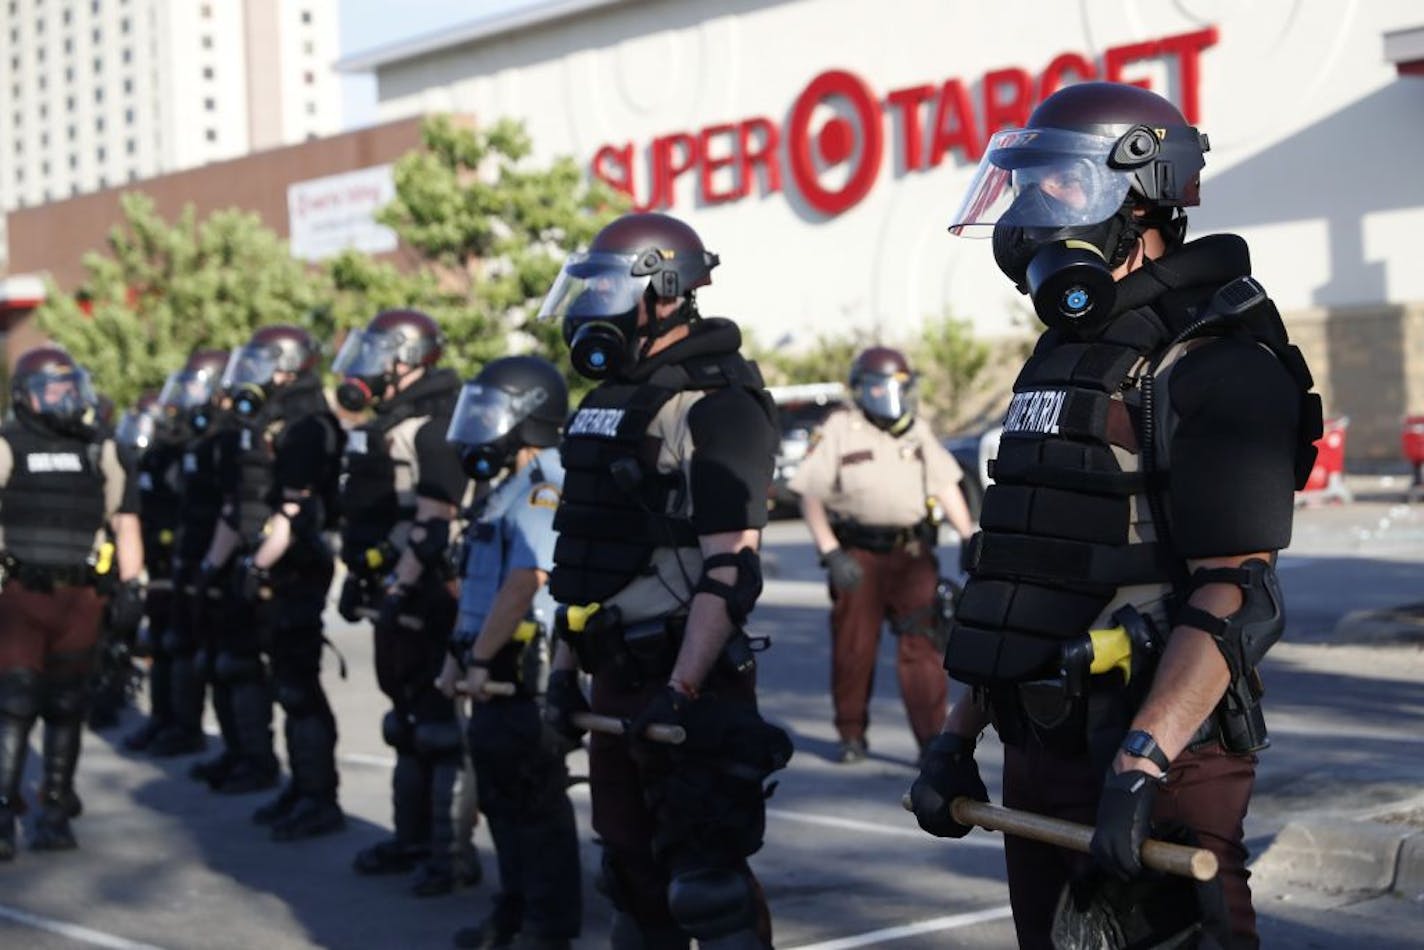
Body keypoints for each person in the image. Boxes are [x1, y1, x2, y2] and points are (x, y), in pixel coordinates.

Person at [908, 82, 1322, 949]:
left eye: (1054, 185)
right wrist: (958, 733)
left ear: (1139, 200)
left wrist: (1141, 764)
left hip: (1160, 753)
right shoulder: (1063, 357)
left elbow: (1237, 592)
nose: (1027, 213)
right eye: (1023, 187)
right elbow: (1021, 564)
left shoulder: (1216, 360)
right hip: (1039, 747)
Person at [539, 212, 792, 950]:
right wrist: (563, 671)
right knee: (631, 878)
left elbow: (730, 568)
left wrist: (680, 688)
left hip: (689, 679)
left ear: (666, 289)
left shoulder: (720, 405)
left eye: (612, 290)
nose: (595, 310)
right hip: (613, 673)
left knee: (705, 886)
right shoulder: (609, 400)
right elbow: (582, 558)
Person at [436, 356, 581, 950]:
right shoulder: (503, 489)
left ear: (527, 419)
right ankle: (513, 912)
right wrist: (458, 655)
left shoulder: (546, 486)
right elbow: (479, 588)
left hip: (523, 676)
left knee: (535, 807)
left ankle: (549, 929)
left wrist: (477, 661)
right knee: (502, 803)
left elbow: (527, 581)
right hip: (487, 669)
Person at [334, 309, 480, 895]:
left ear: (408, 358)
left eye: (378, 354)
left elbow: (435, 521)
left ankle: (451, 854)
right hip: (396, 588)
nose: (366, 367)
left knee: (440, 726)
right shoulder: (393, 422)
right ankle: (412, 839)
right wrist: (362, 576)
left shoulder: (436, 424)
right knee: (407, 722)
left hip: (431, 592)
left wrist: (398, 586)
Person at [789, 346, 975, 764]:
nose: (895, 394)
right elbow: (810, 495)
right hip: (858, 556)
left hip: (911, 554)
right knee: (855, 648)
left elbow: (945, 485)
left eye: (901, 386)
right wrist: (831, 552)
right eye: (888, 386)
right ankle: (851, 734)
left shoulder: (914, 430)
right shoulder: (840, 427)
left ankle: (932, 740)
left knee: (924, 647)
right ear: (866, 388)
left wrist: (967, 537)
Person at [0, 347, 144, 858]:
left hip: (82, 597)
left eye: (69, 386)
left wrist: (131, 588)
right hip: (21, 596)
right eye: (52, 388)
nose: (65, 397)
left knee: (66, 707)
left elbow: (125, 522)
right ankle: (3, 812)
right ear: (26, 395)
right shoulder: (6, 443)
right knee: (14, 703)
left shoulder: (100, 449)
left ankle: (55, 810)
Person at [213, 325, 346, 841]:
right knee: (284, 683)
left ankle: (320, 797)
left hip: (298, 568)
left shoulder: (307, 424)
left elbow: (294, 511)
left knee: (297, 684)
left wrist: (255, 565)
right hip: (283, 565)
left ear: (289, 367)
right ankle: (302, 786)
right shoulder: (283, 419)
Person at [116, 391, 194, 755]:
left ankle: (183, 726)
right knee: (160, 644)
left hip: (181, 564)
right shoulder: (150, 459)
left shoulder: (184, 455)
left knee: (176, 645)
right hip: (157, 563)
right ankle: (163, 719)